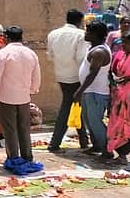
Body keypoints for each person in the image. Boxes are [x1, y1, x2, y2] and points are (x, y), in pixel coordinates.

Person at [0, 26, 41, 163]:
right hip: (24, 97)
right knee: (24, 128)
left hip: (6, 97)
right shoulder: (30, 53)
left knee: (10, 130)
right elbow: (36, 75)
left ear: (6, 38)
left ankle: (13, 158)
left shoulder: (4, 53)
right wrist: (32, 90)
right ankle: (27, 156)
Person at [46, 9, 90, 153]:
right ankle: (55, 142)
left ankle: (83, 140)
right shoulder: (81, 35)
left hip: (61, 75)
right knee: (68, 107)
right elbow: (81, 58)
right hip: (76, 76)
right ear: (80, 21)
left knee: (76, 106)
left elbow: (50, 55)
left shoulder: (53, 34)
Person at [106, 32, 130, 167]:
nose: (123, 45)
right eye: (122, 43)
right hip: (119, 96)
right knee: (118, 127)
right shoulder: (121, 55)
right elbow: (114, 71)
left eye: (126, 43)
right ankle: (122, 155)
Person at [73, 21, 111, 159]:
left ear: (95, 34)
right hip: (90, 91)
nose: (85, 34)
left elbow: (92, 73)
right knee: (88, 120)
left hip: (96, 92)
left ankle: (108, 149)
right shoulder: (93, 48)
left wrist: (80, 90)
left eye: (88, 32)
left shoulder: (99, 52)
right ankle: (96, 145)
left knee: (95, 122)